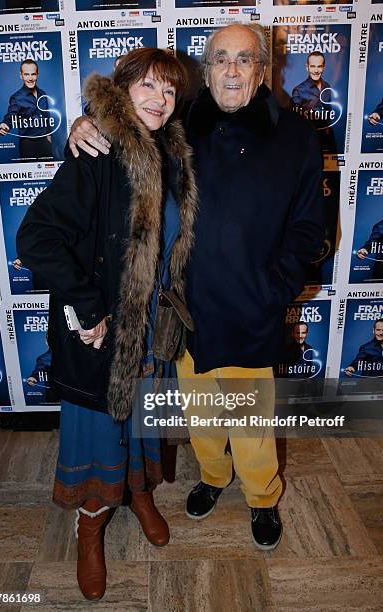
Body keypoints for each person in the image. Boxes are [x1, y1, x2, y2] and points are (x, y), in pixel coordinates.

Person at [69, 24, 323, 551]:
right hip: (185, 308)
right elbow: (120, 141)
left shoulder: (297, 137)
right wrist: (79, 125)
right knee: (201, 412)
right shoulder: (174, 125)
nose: (232, 70)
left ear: (263, 70)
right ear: (205, 72)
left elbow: (309, 229)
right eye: (221, 59)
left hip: (253, 305)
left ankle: (262, 498)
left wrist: (277, 287)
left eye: (245, 59)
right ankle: (212, 476)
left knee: (251, 421)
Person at [17, 48, 197, 601]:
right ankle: (90, 527)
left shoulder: (172, 152)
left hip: (153, 331)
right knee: (100, 435)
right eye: (146, 87)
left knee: (143, 428)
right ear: (121, 89)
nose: (159, 101)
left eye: (169, 91)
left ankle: (139, 495)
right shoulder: (95, 150)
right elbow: (36, 240)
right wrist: (89, 308)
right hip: (104, 336)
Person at [0, 60, 52, 160]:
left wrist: (49, 137)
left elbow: (47, 116)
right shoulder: (16, 97)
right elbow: (11, 115)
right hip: (28, 145)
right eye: (26, 74)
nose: (30, 78)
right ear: (21, 75)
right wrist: (6, 124)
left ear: (37, 75)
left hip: (45, 143)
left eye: (33, 74)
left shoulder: (43, 93)